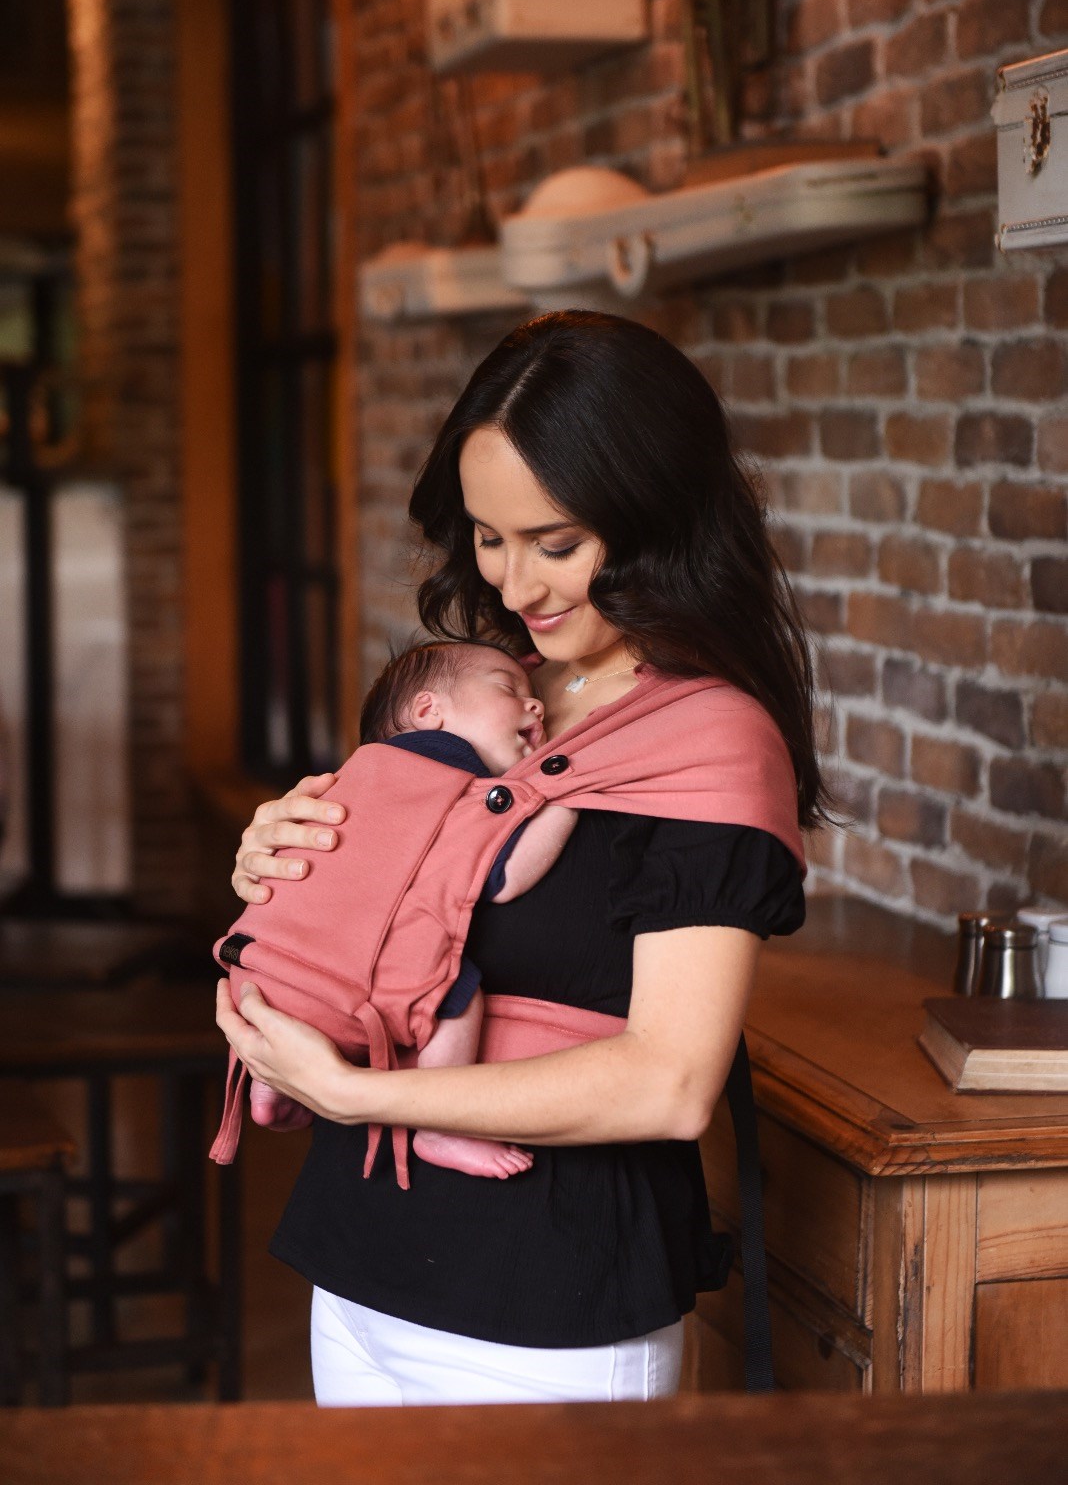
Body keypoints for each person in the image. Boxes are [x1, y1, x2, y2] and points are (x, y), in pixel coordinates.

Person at [217, 309, 826, 1407]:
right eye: (489, 538)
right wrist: (285, 863)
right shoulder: (492, 705)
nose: (514, 587)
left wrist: (356, 1094)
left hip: (546, 1305)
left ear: (656, 520)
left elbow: (670, 1082)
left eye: (555, 544)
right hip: (361, 1270)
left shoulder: (711, 742)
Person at [247, 637, 577, 1180]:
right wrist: (568, 797)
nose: (535, 704)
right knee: (455, 991)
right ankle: (443, 1127)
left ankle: (267, 1078)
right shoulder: (455, 784)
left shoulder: (357, 772)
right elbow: (504, 877)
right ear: (428, 711)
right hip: (352, 995)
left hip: (261, 979)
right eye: (508, 688)